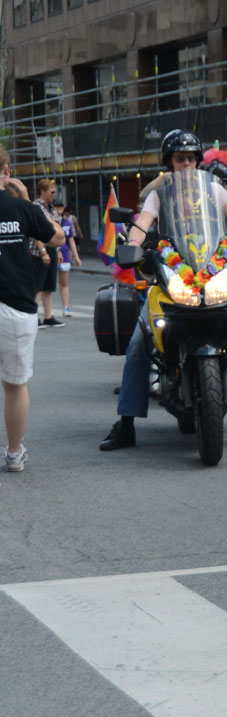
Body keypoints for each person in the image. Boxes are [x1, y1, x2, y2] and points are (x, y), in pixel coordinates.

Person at [100, 129, 227, 451]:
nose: (186, 163)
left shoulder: (214, 189)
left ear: (198, 161)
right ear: (169, 163)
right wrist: (133, 244)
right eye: (179, 158)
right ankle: (126, 423)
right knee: (139, 344)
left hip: (211, 269)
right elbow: (144, 222)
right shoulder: (159, 194)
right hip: (172, 275)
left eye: (190, 158)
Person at [0, 148, 66, 474]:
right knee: (15, 386)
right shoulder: (21, 208)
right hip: (15, 305)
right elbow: (58, 237)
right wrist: (27, 199)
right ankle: (14, 453)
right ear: (6, 171)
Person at [33, 178, 64, 327]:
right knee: (38, 286)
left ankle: (48, 316)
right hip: (39, 251)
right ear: (42, 191)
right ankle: (34, 317)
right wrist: (43, 251)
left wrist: (58, 251)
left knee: (48, 286)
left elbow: (55, 231)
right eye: (51, 192)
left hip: (51, 248)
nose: (54, 195)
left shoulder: (51, 208)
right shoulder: (36, 207)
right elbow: (35, 231)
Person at [55, 200, 83, 316]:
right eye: (57, 206)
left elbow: (71, 240)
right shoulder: (49, 220)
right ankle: (47, 311)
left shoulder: (67, 222)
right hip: (52, 254)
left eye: (61, 206)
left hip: (65, 254)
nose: (60, 208)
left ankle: (66, 307)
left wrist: (76, 257)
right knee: (46, 285)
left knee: (64, 283)